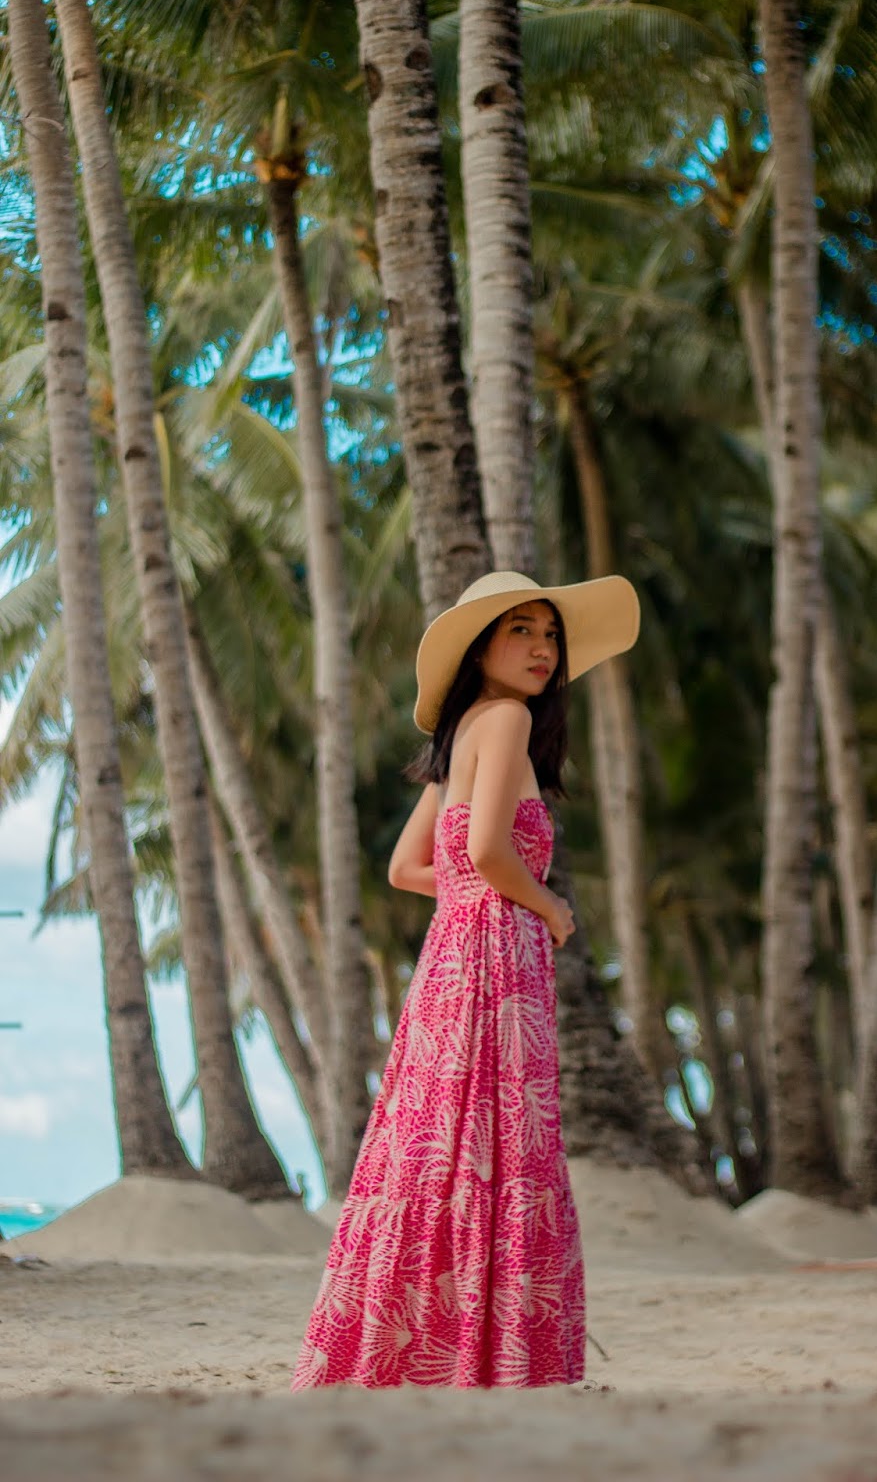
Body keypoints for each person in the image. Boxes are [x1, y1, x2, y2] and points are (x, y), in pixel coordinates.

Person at [291, 569, 640, 1390]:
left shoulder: (466, 734)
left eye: (549, 636)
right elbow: (486, 852)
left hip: (451, 956)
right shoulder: (509, 719)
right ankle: (490, 1357)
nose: (541, 649)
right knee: (501, 1145)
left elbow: (410, 868)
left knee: (436, 1143)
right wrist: (547, 907)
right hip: (498, 956)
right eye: (521, 630)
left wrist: (479, 897)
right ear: (482, 645)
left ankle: (403, 1348)